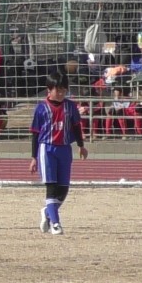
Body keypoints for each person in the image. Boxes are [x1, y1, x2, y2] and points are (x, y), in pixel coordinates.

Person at [29, 71, 89, 236]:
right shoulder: (41, 109)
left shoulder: (70, 107)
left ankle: (48, 212)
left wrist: (81, 145)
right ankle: (55, 223)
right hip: (47, 149)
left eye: (64, 90)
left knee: (63, 189)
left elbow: (76, 127)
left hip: (64, 149)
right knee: (51, 187)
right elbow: (35, 133)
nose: (62, 93)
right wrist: (34, 157)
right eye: (58, 90)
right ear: (49, 90)